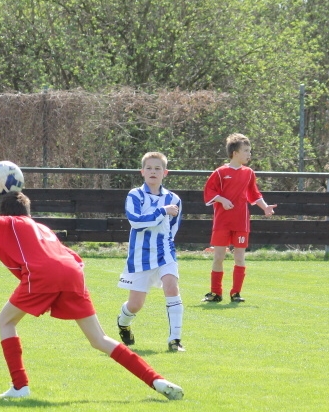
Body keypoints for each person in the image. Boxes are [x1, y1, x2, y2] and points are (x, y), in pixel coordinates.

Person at [0, 191, 183, 401]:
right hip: (72, 272)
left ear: (5, 214)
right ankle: (156, 379)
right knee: (99, 339)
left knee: (5, 321)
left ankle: (19, 386)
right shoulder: (41, 227)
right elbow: (72, 257)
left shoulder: (12, 222)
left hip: (44, 274)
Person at [116, 152, 184, 352]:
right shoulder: (135, 195)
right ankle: (123, 322)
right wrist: (162, 211)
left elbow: (173, 228)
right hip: (140, 255)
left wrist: (168, 245)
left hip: (165, 251)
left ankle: (175, 340)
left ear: (165, 173)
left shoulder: (174, 198)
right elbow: (136, 222)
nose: (153, 171)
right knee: (135, 305)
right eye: (149, 168)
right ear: (142, 172)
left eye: (158, 168)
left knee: (171, 288)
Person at [202, 133, 276, 303]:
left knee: (240, 257)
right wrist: (222, 199)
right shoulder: (220, 172)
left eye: (250, 151)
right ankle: (215, 293)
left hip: (241, 223)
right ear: (235, 152)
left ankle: (236, 293)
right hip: (222, 222)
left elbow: (254, 193)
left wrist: (265, 207)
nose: (249, 154)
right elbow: (209, 192)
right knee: (219, 257)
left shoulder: (249, 173)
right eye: (246, 151)